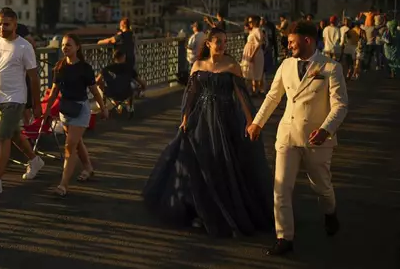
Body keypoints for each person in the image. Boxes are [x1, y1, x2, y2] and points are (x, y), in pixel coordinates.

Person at [143, 28, 274, 237]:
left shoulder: (232, 65)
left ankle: (225, 210)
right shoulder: (198, 65)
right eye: (218, 42)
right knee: (200, 162)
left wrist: (251, 122)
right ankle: (199, 211)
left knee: (225, 163)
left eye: (224, 42)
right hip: (202, 119)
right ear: (209, 44)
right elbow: (192, 94)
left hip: (226, 118)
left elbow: (241, 96)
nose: (222, 46)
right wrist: (185, 119)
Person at [247, 20, 348, 256]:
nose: (288, 45)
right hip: (288, 136)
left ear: (307, 40)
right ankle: (284, 237)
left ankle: (330, 212)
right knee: (281, 187)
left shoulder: (331, 68)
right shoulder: (285, 65)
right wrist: (257, 122)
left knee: (321, 187)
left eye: (292, 41)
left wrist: (326, 129)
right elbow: (273, 97)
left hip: (317, 140)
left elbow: (340, 106)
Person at [0, 7, 44, 199]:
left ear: (15, 24)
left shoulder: (24, 46)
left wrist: (36, 104)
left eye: (6, 24)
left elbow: (34, 78)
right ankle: (35, 160)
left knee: (3, 136)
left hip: (16, 99)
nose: (2, 28)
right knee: (14, 135)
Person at [43, 34, 108, 197]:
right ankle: (88, 168)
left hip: (81, 110)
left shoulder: (85, 68)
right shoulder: (59, 66)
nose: (65, 48)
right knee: (76, 142)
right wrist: (47, 110)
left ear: (77, 47)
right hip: (65, 110)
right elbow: (54, 91)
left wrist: (103, 108)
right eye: (63, 45)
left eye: (69, 45)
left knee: (69, 146)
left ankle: (63, 185)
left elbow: (94, 90)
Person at [96, 50, 147, 118]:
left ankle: (109, 104)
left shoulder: (107, 68)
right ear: (124, 57)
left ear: (114, 58)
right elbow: (141, 82)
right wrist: (142, 88)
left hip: (110, 93)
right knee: (133, 85)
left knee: (99, 84)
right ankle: (129, 105)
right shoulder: (129, 68)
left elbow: (97, 81)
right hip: (126, 93)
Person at [241, 15, 265, 95]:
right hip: (250, 52)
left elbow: (258, 44)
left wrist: (252, 55)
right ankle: (253, 91)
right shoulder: (253, 30)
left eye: (251, 21)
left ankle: (256, 91)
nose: (249, 23)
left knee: (256, 73)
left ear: (255, 21)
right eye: (249, 22)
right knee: (251, 73)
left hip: (255, 53)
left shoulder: (258, 30)